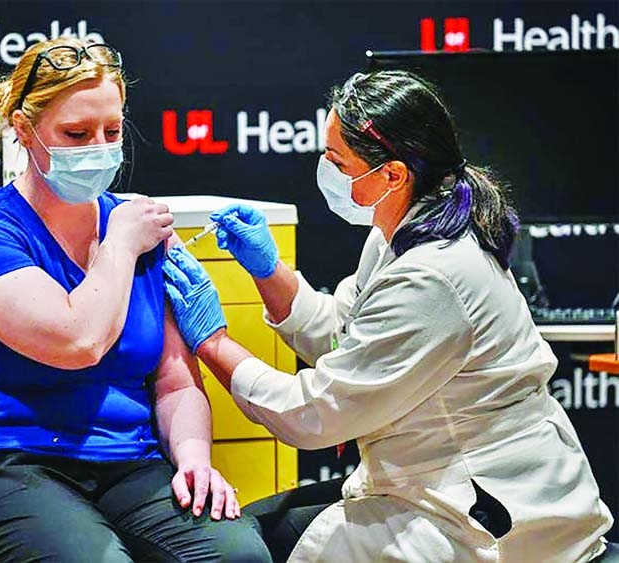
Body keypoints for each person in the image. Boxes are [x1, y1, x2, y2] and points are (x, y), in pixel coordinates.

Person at [162, 70, 614, 562]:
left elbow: (314, 414)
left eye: (337, 161)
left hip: (487, 511)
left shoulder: (434, 273)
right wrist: (271, 273)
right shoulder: (402, 232)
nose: (325, 171)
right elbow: (345, 335)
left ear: (393, 174)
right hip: (439, 479)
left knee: (253, 550)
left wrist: (212, 341)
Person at [0, 37, 271, 562]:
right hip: (5, 463)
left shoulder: (139, 227)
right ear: (24, 129)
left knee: (237, 556)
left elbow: (176, 382)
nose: (99, 148)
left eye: (112, 131)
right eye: (76, 134)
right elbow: (78, 340)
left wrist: (195, 458)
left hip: (129, 463)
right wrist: (121, 245)